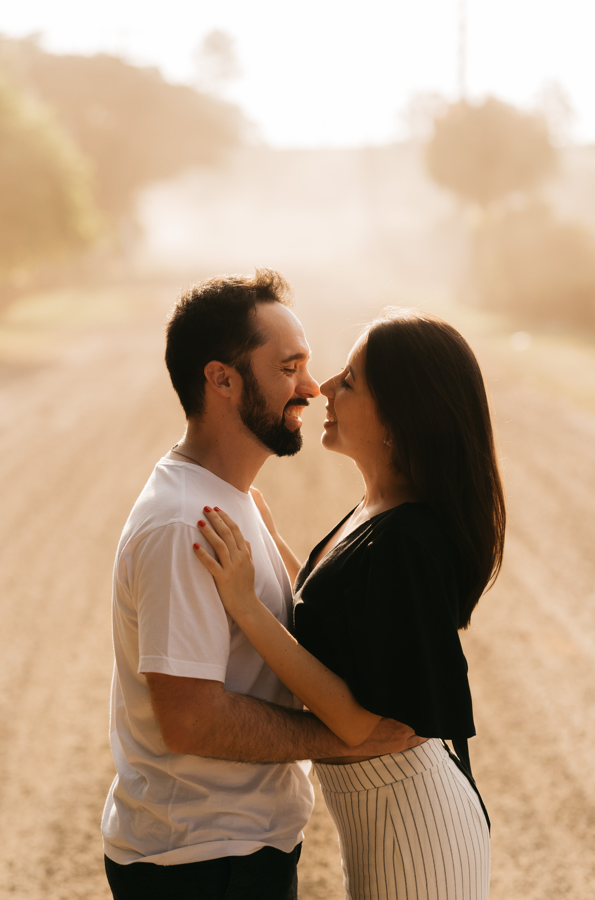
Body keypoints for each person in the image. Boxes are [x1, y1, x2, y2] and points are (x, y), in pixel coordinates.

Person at [101, 271, 422, 900]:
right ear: (221, 379)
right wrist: (347, 740)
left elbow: (303, 621)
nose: (310, 387)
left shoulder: (233, 498)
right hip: (199, 864)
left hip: (233, 852)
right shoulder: (184, 524)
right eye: (288, 368)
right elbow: (191, 721)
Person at [194, 306, 506, 900]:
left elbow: (358, 721)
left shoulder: (408, 540)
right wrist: (269, 537)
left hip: (416, 827)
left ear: (399, 417)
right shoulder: (380, 509)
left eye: (352, 381)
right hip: (389, 820)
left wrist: (246, 604)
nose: (326, 388)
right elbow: (335, 613)